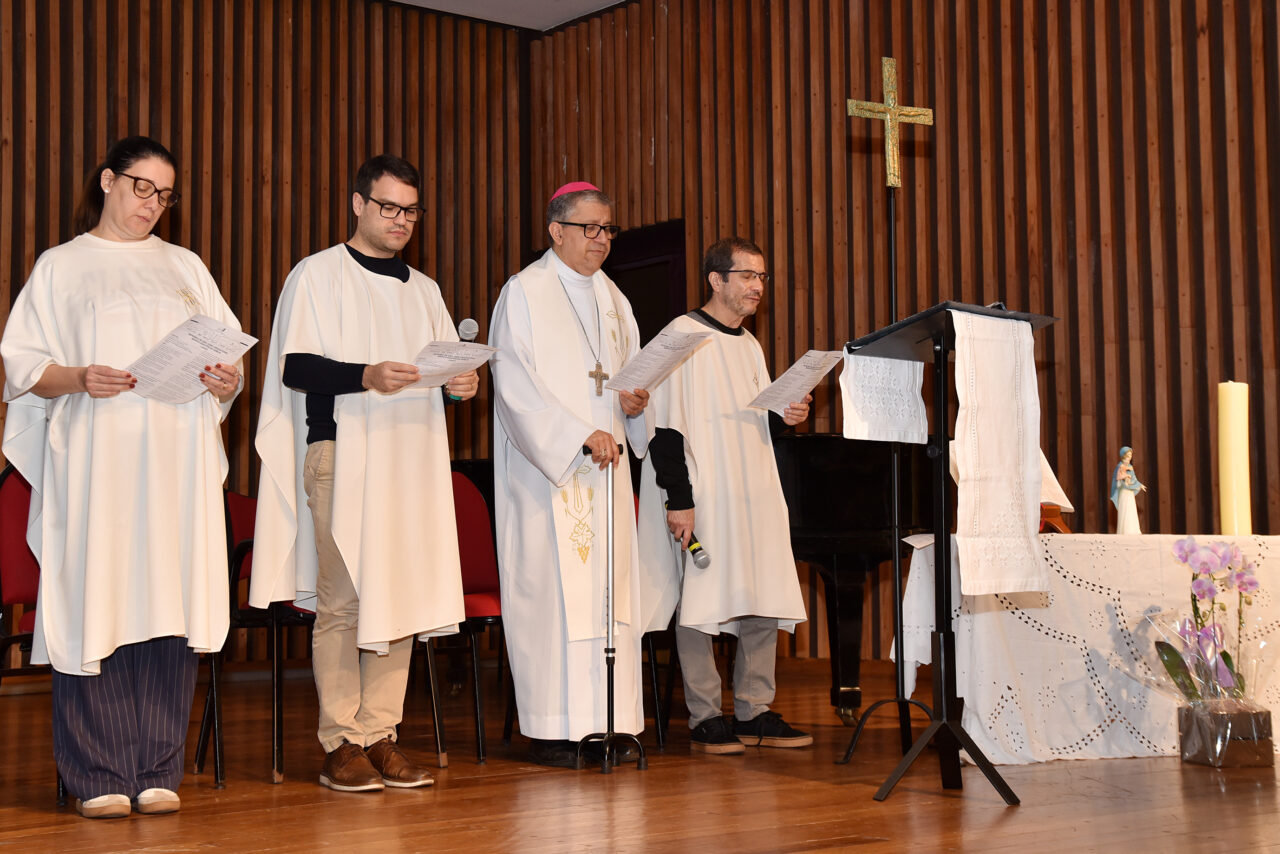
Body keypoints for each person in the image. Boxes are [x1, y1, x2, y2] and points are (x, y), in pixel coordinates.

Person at [1, 136, 243, 818]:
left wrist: (227, 377)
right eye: (142, 188)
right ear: (107, 180)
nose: (153, 205)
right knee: (100, 598)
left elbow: (227, 357)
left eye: (164, 195)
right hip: (98, 462)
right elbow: (23, 367)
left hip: (175, 460)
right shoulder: (63, 267)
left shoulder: (185, 266)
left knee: (169, 598)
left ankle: (158, 764)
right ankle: (99, 770)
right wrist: (78, 377)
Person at [251, 154, 477, 792]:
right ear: (357, 204)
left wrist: (461, 385)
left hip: (411, 457)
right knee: (344, 602)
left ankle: (381, 735)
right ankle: (339, 741)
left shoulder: (425, 290)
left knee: (399, 596)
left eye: (410, 210)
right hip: (341, 451)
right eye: (388, 207)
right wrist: (365, 376)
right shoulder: (317, 275)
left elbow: (441, 371)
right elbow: (295, 367)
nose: (400, 220)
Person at [488, 181, 650, 767]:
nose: (602, 239)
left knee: (609, 600)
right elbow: (514, 388)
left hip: (607, 478)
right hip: (548, 478)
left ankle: (610, 721)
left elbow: (629, 377)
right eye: (591, 228)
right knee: (555, 597)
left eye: (608, 229)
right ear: (557, 231)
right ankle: (555, 729)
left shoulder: (614, 298)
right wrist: (577, 435)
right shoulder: (524, 293)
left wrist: (634, 407)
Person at [637, 237, 812, 755]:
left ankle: (755, 709)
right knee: (702, 600)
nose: (757, 286)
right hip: (704, 492)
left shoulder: (749, 344)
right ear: (716, 280)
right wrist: (679, 499)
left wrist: (786, 419)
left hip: (753, 491)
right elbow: (663, 429)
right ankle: (706, 715)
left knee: (763, 592)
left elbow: (753, 424)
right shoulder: (681, 336)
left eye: (762, 277)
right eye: (747, 276)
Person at [1110, 445, 1146, 535]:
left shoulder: (1130, 466)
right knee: (1124, 510)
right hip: (1124, 492)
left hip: (1129, 492)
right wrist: (1126, 476)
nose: (1129, 458)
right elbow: (1118, 479)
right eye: (1127, 456)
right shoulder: (1120, 467)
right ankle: (1124, 530)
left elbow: (1134, 479)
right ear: (1123, 456)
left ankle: (1132, 530)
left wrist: (1139, 485)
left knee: (1131, 509)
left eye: (1130, 456)